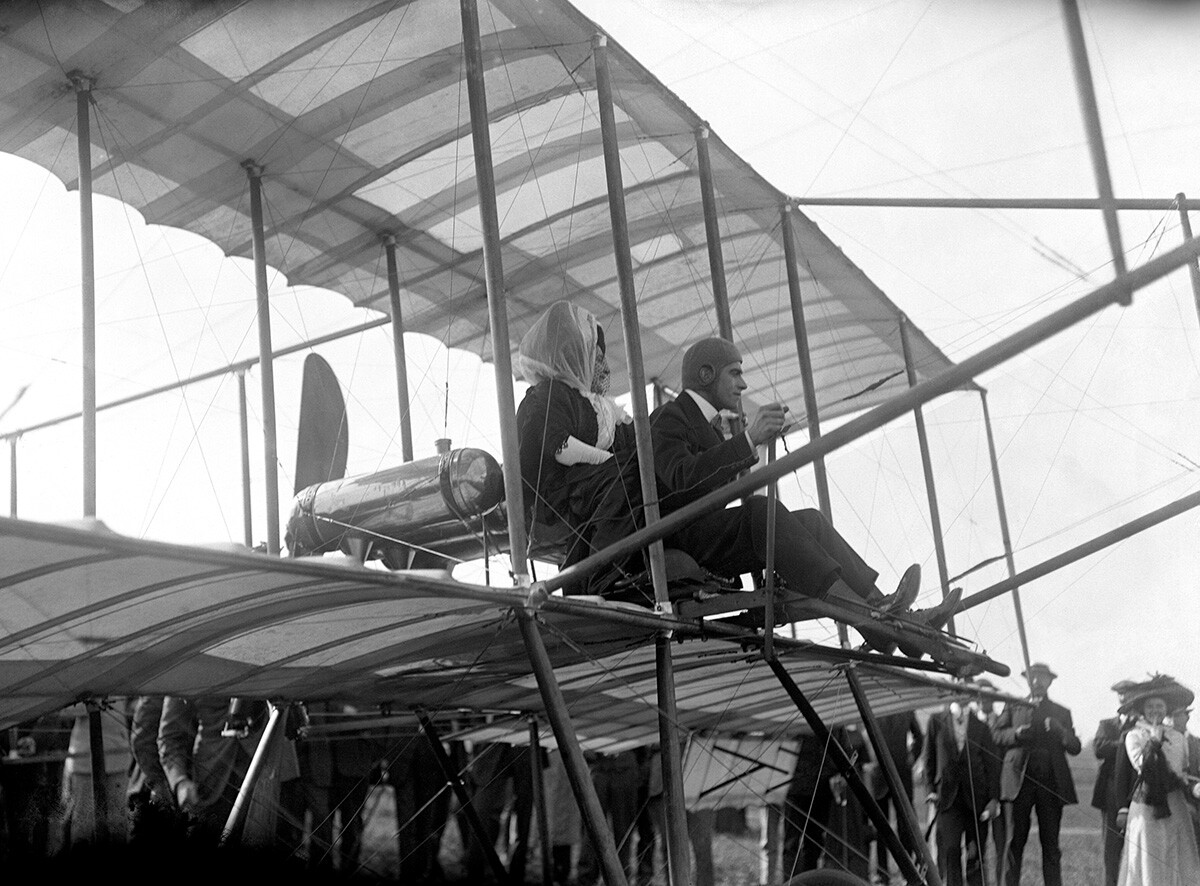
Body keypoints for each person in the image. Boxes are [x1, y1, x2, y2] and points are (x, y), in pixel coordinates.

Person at [648, 336, 959, 652]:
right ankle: (873, 616)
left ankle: (887, 613)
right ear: (706, 375)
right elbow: (681, 478)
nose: (742, 385)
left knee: (811, 521)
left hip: (707, 536)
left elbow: (705, 484)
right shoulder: (668, 417)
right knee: (761, 510)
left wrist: (744, 445)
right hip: (679, 540)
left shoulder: (712, 428)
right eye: (734, 373)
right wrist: (748, 440)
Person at [516, 301, 643, 592]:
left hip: (591, 489)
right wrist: (612, 464)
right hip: (559, 495)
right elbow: (561, 448)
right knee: (622, 479)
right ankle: (598, 577)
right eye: (595, 356)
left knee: (638, 479)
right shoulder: (549, 394)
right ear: (574, 355)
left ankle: (625, 568)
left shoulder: (603, 407)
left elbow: (638, 444)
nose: (603, 365)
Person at [991, 662, 1080, 886]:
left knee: (1050, 844)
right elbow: (996, 735)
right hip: (1018, 782)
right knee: (1014, 843)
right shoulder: (1013, 707)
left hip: (1050, 784)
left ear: (1050, 681)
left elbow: (1075, 747)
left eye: (1042, 678)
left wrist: (1061, 730)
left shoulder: (1061, 712)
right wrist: (1016, 733)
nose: (1037, 682)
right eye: (1032, 677)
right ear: (1026, 680)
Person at [1113, 674, 1200, 886]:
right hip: (1147, 804)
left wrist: (1193, 786)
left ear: (1167, 709)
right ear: (1142, 709)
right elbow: (1144, 766)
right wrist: (1154, 740)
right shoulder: (1134, 736)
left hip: (1175, 804)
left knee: (1176, 853)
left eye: (1159, 706)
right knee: (1150, 853)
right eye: (1150, 706)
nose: (1155, 711)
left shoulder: (1178, 737)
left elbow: (1180, 772)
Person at [924, 700, 1002, 886]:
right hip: (947, 799)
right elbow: (929, 757)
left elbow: (992, 765)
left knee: (975, 853)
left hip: (976, 799)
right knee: (951, 850)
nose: (961, 693)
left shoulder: (980, 727)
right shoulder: (936, 721)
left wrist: (993, 799)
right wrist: (931, 790)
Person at [869, 710, 924, 885]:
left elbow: (919, 738)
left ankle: (906, 871)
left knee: (905, 827)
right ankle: (882, 873)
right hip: (880, 775)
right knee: (881, 826)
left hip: (901, 775)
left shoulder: (906, 710)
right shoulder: (872, 706)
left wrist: (912, 758)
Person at [1094, 680, 1139, 886]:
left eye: (1127, 694)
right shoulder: (1107, 724)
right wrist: (1126, 742)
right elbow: (1099, 749)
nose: (1124, 698)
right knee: (1111, 850)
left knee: (1137, 847)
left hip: (1136, 790)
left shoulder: (1141, 725)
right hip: (1111, 791)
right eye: (1121, 694)